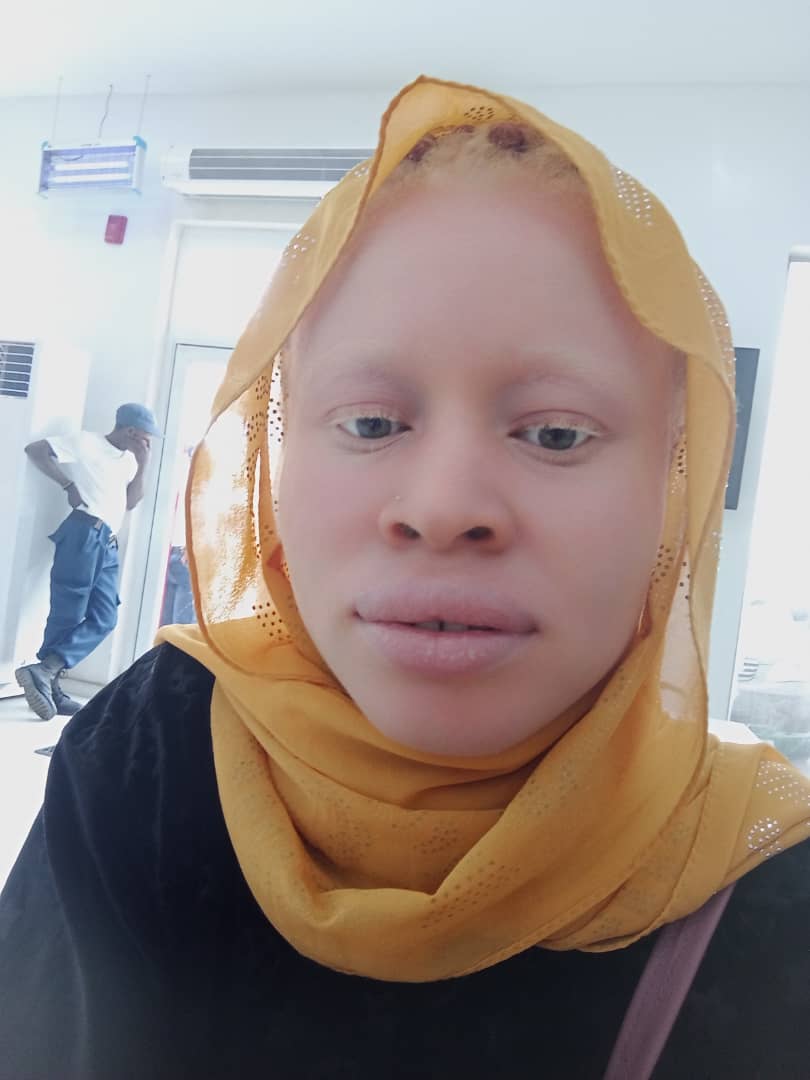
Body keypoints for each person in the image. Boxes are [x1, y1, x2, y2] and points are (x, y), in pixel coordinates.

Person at [1, 77, 809, 1078]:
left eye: (557, 434)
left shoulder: (767, 899)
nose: (441, 506)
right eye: (373, 423)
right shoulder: (149, 748)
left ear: (674, 489)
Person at [13, 402, 161, 720]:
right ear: (131, 430)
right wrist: (68, 485)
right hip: (83, 532)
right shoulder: (86, 442)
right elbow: (36, 450)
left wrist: (144, 463)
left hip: (107, 543)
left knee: (105, 617)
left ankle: (45, 670)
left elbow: (132, 501)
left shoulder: (129, 460)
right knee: (67, 613)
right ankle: (49, 684)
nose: (148, 442)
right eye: (146, 436)